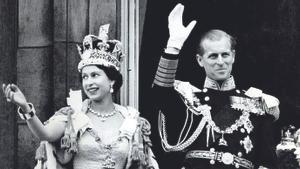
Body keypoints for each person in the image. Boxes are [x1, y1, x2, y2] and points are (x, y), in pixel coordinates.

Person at [3, 24, 158, 169]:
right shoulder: (74, 115)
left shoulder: (130, 119)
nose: (89, 82)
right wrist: (25, 107)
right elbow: (45, 133)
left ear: (112, 80)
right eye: (85, 77)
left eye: (95, 75)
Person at [152, 3, 280, 169]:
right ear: (200, 60)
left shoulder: (256, 103)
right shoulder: (190, 101)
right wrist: (173, 46)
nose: (220, 62)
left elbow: (267, 161)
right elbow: (160, 95)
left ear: (233, 56)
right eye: (213, 56)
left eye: (225, 54)